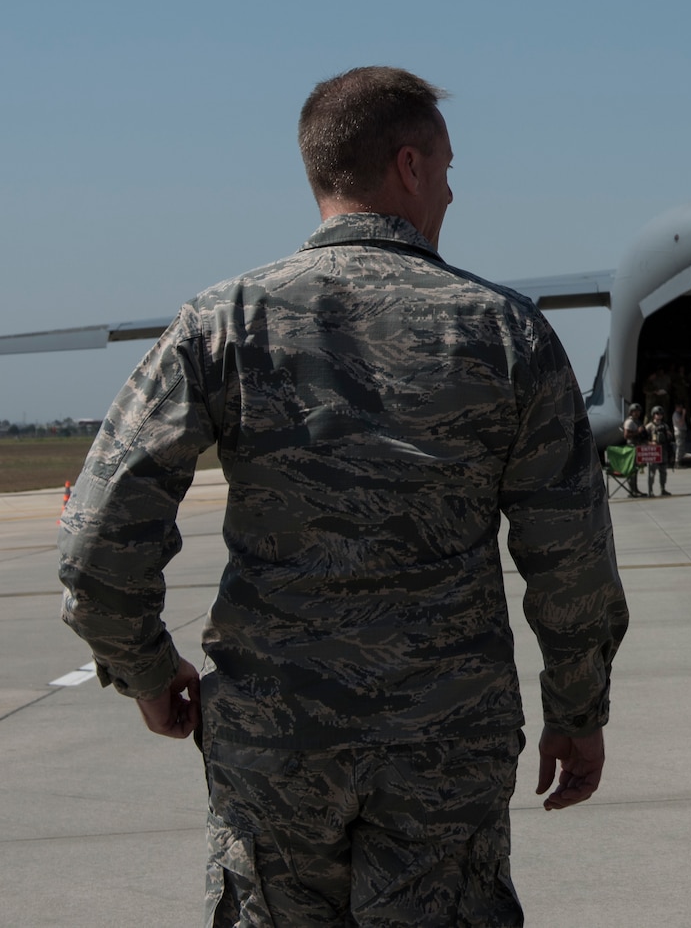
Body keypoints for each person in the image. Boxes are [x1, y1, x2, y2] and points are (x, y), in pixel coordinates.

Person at [57, 66, 630, 927]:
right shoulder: (503, 331)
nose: (450, 188)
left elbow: (99, 537)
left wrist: (144, 669)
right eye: (443, 167)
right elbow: (570, 557)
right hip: (442, 745)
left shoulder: (223, 321)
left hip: (275, 744)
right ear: (407, 166)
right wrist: (577, 709)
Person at [645, 404, 672, 497]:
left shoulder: (665, 426)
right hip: (654, 452)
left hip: (663, 451)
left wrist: (667, 435)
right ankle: (650, 490)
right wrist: (651, 443)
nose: (659, 415)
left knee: (663, 472)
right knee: (652, 472)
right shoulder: (649, 426)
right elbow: (643, 439)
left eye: (660, 413)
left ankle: (663, 489)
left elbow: (669, 437)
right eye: (657, 413)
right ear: (653, 414)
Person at [621, 403, 648, 496]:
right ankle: (632, 490)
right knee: (632, 469)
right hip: (631, 447)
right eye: (635, 412)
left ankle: (635, 489)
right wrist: (637, 432)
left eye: (638, 412)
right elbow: (626, 435)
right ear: (631, 412)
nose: (637, 413)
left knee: (636, 469)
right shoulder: (629, 422)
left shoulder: (637, 421)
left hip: (638, 447)